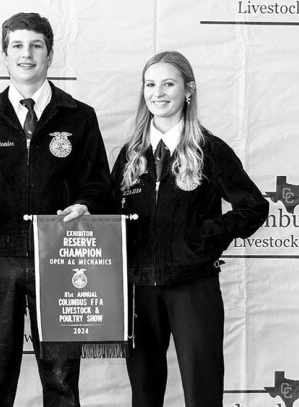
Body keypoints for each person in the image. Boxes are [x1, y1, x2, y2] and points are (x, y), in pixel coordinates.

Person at [0, 12, 113, 407]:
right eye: (17, 46)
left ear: (50, 54)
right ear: (4, 56)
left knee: (61, 381)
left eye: (36, 46)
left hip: (61, 256)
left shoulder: (79, 117)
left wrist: (85, 205)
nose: (27, 55)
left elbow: (99, 187)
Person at [111, 50, 269, 407]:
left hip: (192, 288)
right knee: (145, 393)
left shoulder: (208, 149)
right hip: (138, 291)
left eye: (169, 83)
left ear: (188, 90)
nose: (158, 93)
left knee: (202, 389)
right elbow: (108, 214)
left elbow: (253, 206)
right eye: (150, 84)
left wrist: (209, 233)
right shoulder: (130, 155)